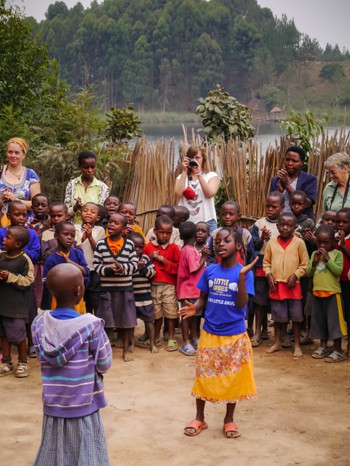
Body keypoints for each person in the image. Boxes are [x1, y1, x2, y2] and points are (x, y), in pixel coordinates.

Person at [179, 228, 257, 438]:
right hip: (210, 333)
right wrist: (196, 307)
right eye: (217, 241)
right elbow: (203, 297)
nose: (220, 244)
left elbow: (243, 304)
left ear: (238, 246)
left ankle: (229, 419)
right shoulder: (210, 271)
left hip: (235, 335)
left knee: (233, 378)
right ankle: (199, 417)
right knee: (204, 375)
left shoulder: (244, 273)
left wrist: (241, 278)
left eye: (227, 241)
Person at [32, 263, 112, 466]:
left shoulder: (39, 323)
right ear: (79, 290)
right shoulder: (91, 325)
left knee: (55, 448)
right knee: (86, 449)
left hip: (53, 402)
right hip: (84, 402)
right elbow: (104, 363)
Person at [93, 213, 138, 362]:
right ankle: (104, 352)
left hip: (125, 290)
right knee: (106, 321)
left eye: (115, 223)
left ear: (124, 228)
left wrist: (123, 268)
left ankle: (126, 351)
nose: (111, 225)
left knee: (125, 321)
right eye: (110, 222)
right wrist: (110, 270)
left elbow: (134, 265)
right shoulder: (100, 245)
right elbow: (97, 266)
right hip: (107, 290)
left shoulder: (130, 245)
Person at [263, 212, 309, 358]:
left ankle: (296, 344)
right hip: (277, 286)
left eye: (289, 225)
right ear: (277, 226)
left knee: (296, 317)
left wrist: (296, 275)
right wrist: (269, 274)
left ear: (294, 227)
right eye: (282, 225)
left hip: (293, 286)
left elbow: (305, 264)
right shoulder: (271, 243)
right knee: (278, 316)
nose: (285, 228)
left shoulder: (299, 243)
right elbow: (266, 263)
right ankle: (277, 342)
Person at [307, 225, 346, 362]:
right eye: (319, 242)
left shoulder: (337, 254)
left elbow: (338, 271)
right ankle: (323, 347)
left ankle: (338, 349)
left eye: (326, 242)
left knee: (334, 323)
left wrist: (327, 259)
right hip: (317, 294)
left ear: (333, 242)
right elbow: (308, 272)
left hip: (333, 294)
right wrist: (315, 262)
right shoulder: (314, 254)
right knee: (320, 322)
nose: (322, 245)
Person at [250, 192, 284, 347]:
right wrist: (262, 238)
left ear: (282, 208)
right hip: (261, 265)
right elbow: (253, 247)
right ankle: (258, 332)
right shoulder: (259, 224)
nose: (270, 209)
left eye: (274, 207)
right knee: (260, 300)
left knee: (279, 300)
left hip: (280, 266)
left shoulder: (285, 223)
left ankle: (281, 335)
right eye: (268, 206)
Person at [0, 226, 34, 378]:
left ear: (18, 244)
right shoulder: (2, 257)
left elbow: (28, 280)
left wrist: (10, 277)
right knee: (4, 335)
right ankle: (6, 362)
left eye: (7, 238)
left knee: (19, 336)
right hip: (3, 304)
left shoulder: (24, 260)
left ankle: (22, 362)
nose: (3, 239)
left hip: (16, 306)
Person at [143, 215, 180, 351]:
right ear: (155, 231)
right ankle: (156, 337)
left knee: (170, 312)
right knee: (156, 314)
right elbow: (142, 263)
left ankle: (171, 338)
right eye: (161, 232)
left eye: (168, 233)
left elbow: (177, 268)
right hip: (153, 285)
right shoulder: (148, 247)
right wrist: (150, 257)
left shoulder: (174, 248)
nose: (165, 235)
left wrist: (164, 261)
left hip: (169, 285)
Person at [42, 222, 89, 314]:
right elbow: (45, 282)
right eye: (65, 234)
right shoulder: (51, 259)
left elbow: (86, 272)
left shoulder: (77, 253)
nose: (69, 237)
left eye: (72, 235)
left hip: (76, 299)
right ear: (56, 236)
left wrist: (71, 263)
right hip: (57, 300)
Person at [177, 222, 208, 356]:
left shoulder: (189, 249)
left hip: (193, 289)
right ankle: (185, 342)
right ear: (195, 235)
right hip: (188, 289)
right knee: (186, 316)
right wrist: (205, 258)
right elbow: (194, 269)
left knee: (194, 315)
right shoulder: (189, 250)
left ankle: (194, 338)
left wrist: (200, 254)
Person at [175, 145, 219, 233]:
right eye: (191, 158)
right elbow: (178, 193)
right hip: (187, 222)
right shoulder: (181, 177)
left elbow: (209, 194)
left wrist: (199, 174)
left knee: (208, 247)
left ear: (203, 159)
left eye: (197, 157)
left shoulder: (211, 176)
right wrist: (184, 171)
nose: (194, 160)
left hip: (207, 221)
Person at [129, 232, 158, 354]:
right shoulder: (127, 259)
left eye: (140, 247)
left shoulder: (145, 258)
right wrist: (135, 267)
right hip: (131, 297)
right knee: (130, 324)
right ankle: (131, 343)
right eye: (134, 247)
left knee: (149, 321)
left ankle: (152, 343)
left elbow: (152, 273)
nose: (137, 250)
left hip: (145, 297)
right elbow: (125, 274)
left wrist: (143, 269)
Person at [270, 146, 317, 219]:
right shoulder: (276, 180)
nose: (290, 163)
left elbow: (307, 203)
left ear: (301, 163)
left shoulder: (309, 179)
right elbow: (271, 203)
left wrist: (287, 186)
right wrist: (279, 191)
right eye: (287, 159)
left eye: (294, 161)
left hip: (301, 223)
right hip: (279, 222)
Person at [0, 138, 41, 222]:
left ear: (24, 155)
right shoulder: (0, 172)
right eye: (10, 152)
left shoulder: (31, 175)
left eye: (17, 153)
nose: (13, 155)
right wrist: (2, 199)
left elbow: (37, 205)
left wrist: (15, 199)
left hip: (25, 226)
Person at [74, 202, 105, 314]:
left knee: (94, 298)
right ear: (80, 214)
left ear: (97, 218)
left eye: (92, 212)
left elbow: (98, 250)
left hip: (93, 269)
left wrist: (90, 236)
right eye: (85, 210)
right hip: (79, 269)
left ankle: (95, 321)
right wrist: (84, 236)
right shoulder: (75, 228)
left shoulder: (100, 230)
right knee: (81, 297)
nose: (88, 213)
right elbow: (76, 247)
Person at [64, 150, 110, 224]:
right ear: (80, 167)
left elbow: (102, 214)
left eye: (93, 167)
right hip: (73, 229)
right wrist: (75, 208)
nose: (90, 170)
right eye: (86, 167)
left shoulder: (103, 188)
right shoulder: (72, 185)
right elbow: (65, 213)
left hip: (94, 231)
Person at [335, 207, 350, 356]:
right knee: (340, 315)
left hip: (348, 282)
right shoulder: (332, 238)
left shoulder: (344, 241)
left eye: (344, 222)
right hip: (336, 283)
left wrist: (344, 246)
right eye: (337, 221)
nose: (340, 224)